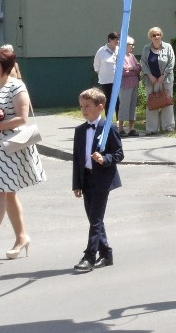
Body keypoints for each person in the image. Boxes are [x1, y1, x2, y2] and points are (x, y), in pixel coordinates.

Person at [0, 47, 46, 263]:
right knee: (8, 192)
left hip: (12, 146)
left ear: (5, 66)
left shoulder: (17, 86)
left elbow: (22, 119)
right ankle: (22, 237)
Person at [72, 88, 124, 272]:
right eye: (81, 107)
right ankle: (106, 253)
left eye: (87, 106)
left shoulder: (109, 128)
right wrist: (77, 184)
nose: (83, 110)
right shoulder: (80, 131)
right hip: (86, 179)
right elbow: (77, 159)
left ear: (100, 107)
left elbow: (119, 153)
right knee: (94, 219)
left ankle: (89, 257)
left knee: (95, 220)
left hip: (103, 179)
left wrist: (105, 159)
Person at [140, 27, 175, 135]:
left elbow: (171, 62)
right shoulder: (146, 48)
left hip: (166, 79)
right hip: (151, 80)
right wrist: (150, 76)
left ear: (161, 35)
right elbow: (143, 63)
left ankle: (168, 126)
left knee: (167, 102)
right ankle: (151, 129)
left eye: (158, 34)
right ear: (150, 37)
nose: (156, 37)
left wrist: (163, 76)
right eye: (154, 35)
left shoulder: (168, 47)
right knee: (152, 103)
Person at [93, 32, 120, 121]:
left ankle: (119, 121)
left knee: (118, 101)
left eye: (118, 39)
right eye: (116, 39)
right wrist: (103, 75)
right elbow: (96, 66)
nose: (118, 41)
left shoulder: (119, 50)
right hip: (106, 81)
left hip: (117, 80)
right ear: (110, 40)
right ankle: (108, 120)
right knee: (108, 100)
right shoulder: (101, 51)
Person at [118, 37, 141, 137]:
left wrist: (131, 68)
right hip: (125, 85)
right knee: (124, 106)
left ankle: (132, 128)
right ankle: (121, 128)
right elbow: (122, 71)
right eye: (131, 44)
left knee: (132, 105)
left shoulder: (131, 56)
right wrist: (133, 69)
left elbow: (139, 67)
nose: (133, 46)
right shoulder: (120, 56)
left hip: (134, 83)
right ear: (125, 45)